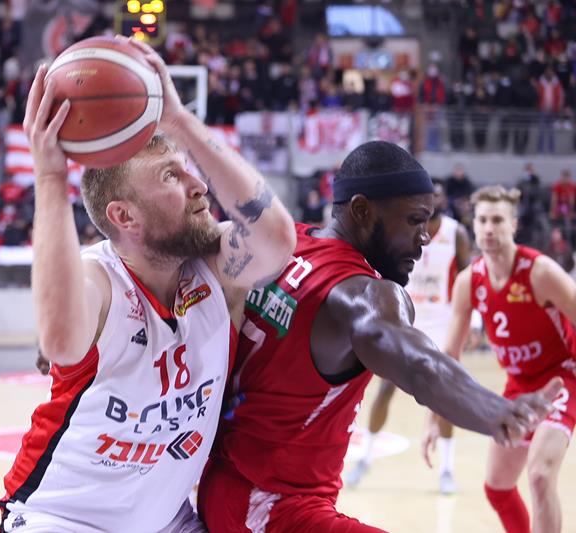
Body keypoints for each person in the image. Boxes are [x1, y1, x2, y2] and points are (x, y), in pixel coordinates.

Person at [0, 37, 295, 533]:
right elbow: (61, 340)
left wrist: (180, 123)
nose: (199, 185)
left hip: (168, 521)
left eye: (188, 171)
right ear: (125, 216)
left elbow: (276, 240)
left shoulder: (214, 269)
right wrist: (49, 176)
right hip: (62, 518)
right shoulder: (99, 279)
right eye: (171, 176)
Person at [198, 141, 562, 533]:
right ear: (362, 210)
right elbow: (420, 366)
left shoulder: (285, 244)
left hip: (223, 482)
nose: (424, 237)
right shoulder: (363, 292)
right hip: (270, 504)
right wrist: (497, 411)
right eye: (414, 220)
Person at [422, 185, 576, 533]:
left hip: (561, 379)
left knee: (540, 476)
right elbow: (450, 356)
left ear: (513, 225)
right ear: (474, 225)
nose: (489, 228)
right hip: (519, 387)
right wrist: (433, 416)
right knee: (498, 488)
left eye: (497, 220)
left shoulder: (540, 272)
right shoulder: (469, 282)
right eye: (482, 221)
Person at [345, 178, 471, 494]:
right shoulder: (406, 228)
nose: (434, 200)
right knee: (386, 388)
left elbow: (468, 278)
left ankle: (447, 469)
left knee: (446, 395)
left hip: (443, 321)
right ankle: (366, 458)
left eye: (439, 195)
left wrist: (472, 324)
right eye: (430, 196)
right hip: (407, 317)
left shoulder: (456, 233)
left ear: (444, 201)